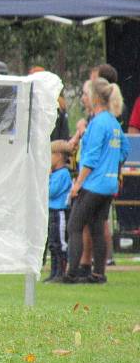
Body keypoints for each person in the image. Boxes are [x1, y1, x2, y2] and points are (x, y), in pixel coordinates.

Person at [63, 77, 129, 284]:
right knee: (97, 227)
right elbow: (124, 149)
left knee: (74, 225)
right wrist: (113, 169)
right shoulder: (113, 122)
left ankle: (71, 273)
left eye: (84, 94)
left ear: (94, 97)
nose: (83, 98)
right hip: (108, 185)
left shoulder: (98, 123)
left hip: (93, 183)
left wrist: (78, 184)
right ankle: (98, 273)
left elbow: (90, 158)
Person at [44, 140, 73, 283]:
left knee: (60, 243)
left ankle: (61, 273)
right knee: (52, 243)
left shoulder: (63, 174)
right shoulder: (55, 174)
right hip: (51, 211)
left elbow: (52, 191)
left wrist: (47, 178)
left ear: (59, 156)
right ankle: (54, 272)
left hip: (59, 212)